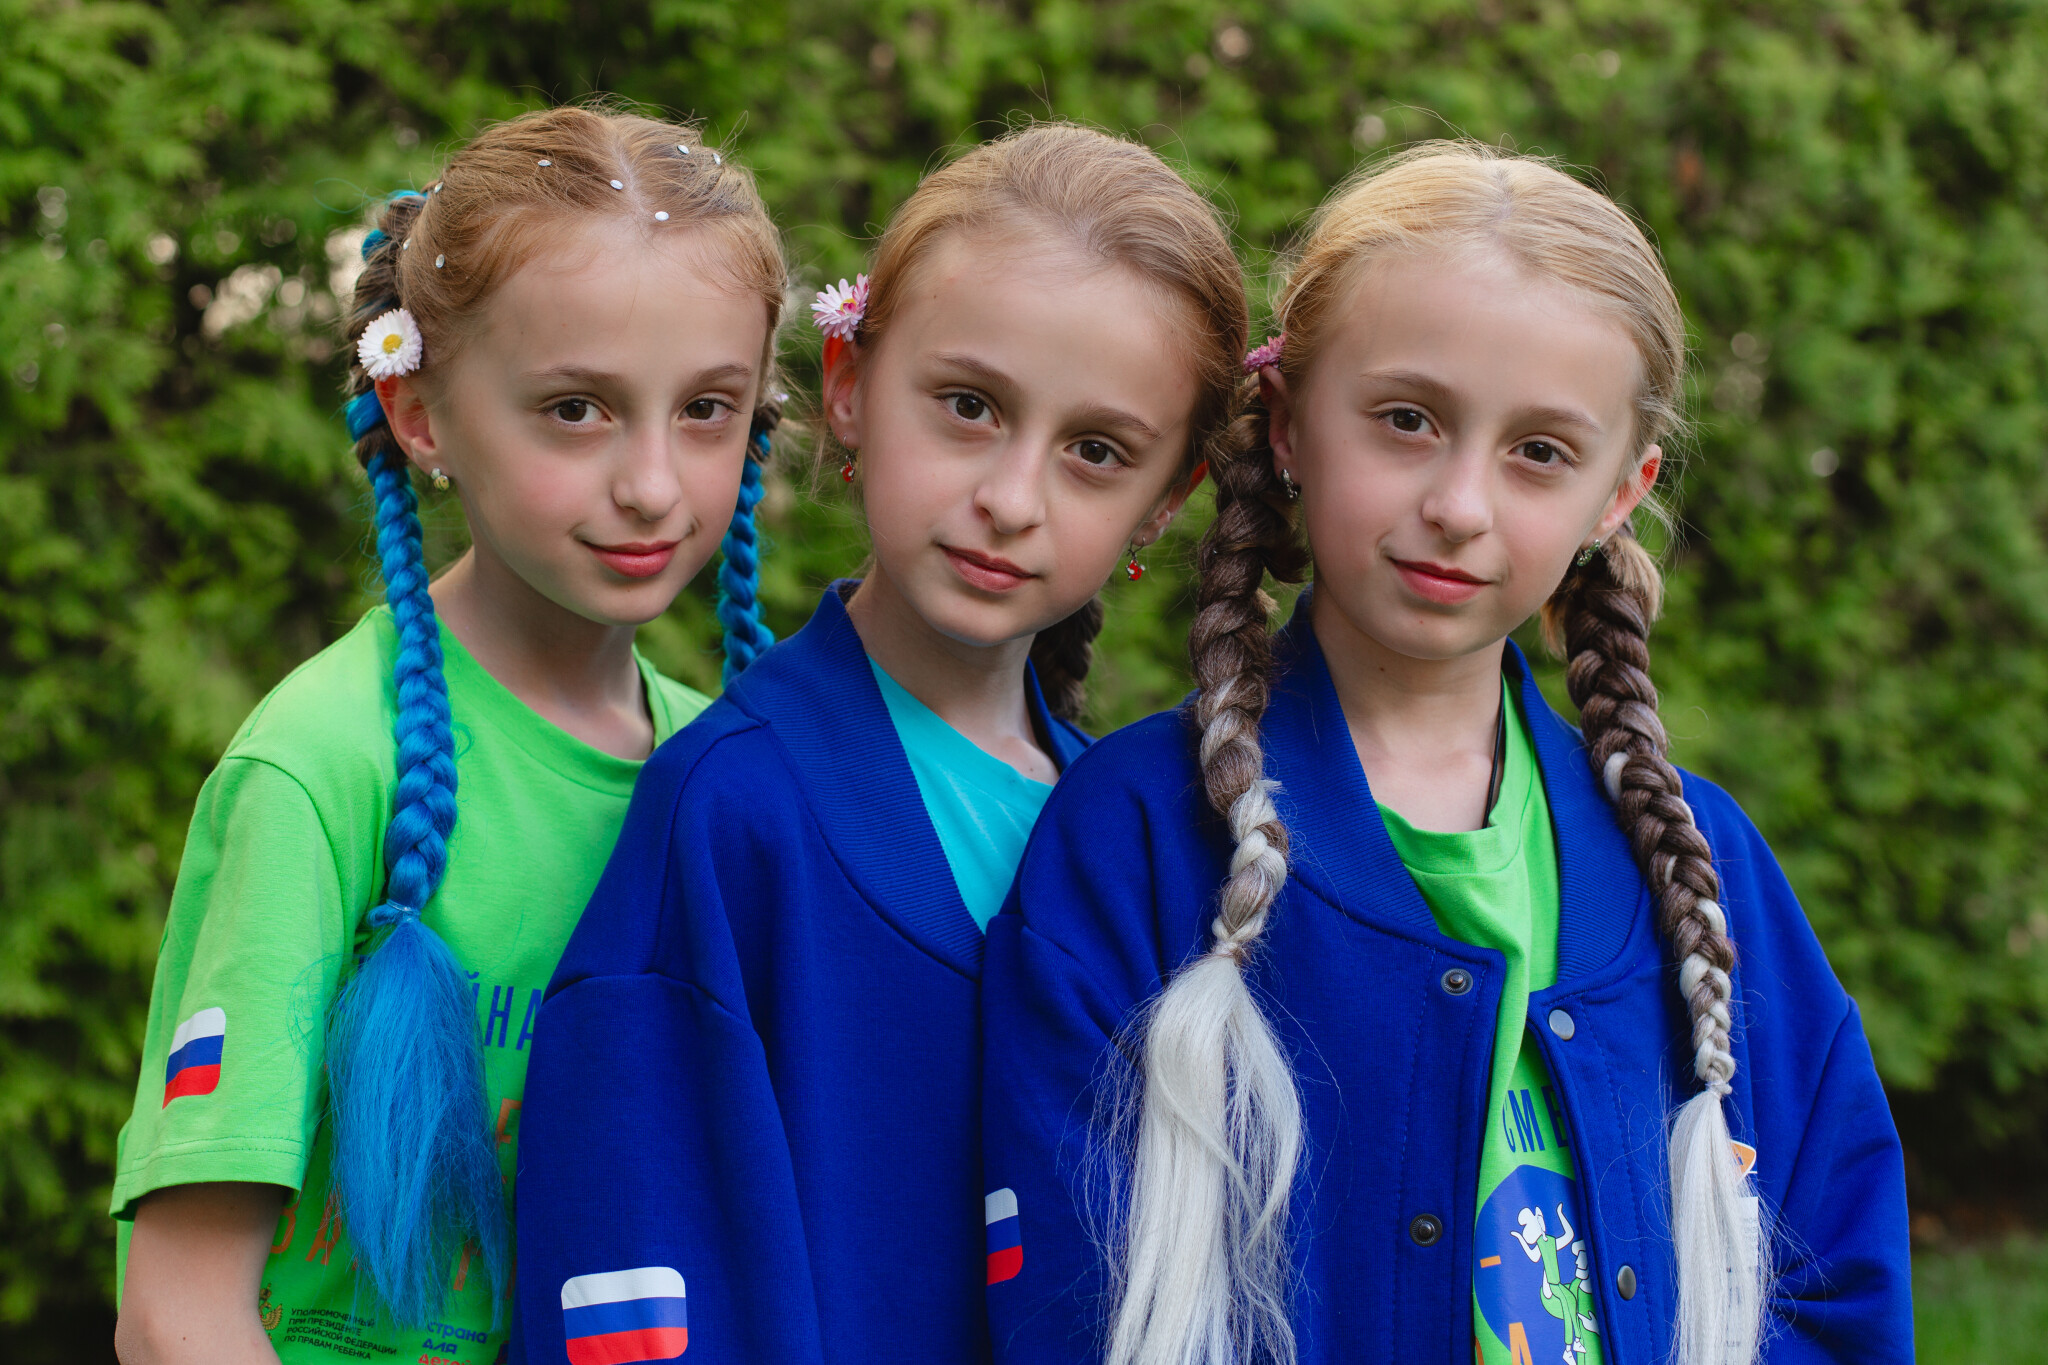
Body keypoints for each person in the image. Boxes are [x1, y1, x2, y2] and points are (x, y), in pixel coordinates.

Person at [981, 144, 1912, 1365]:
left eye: (1539, 452)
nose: (1459, 506)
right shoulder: (1137, 839)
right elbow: (1069, 1292)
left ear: (1617, 494)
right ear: (1287, 425)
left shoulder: (1705, 869)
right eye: (1406, 421)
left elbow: (1837, 1289)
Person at [511, 123, 1244, 1364]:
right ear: (848, 383)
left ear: (1162, 504)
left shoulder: (1147, 843)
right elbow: (630, 1268)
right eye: (968, 407)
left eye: (1095, 452)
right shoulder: (733, 810)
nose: (1010, 498)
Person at [109, 104, 787, 1365]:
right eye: (576, 409)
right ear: (417, 411)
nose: (651, 482)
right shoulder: (323, 762)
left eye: (707, 408)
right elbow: (174, 1314)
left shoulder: (724, 780)